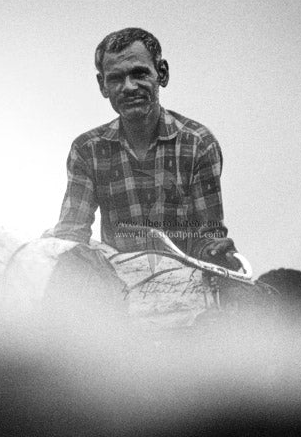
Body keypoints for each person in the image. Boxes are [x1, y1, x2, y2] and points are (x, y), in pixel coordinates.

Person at [48, 27, 239, 268]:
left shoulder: (198, 143)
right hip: (117, 283)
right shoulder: (87, 149)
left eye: (139, 74)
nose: (128, 87)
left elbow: (208, 235)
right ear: (102, 85)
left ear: (162, 73)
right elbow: (72, 234)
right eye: (116, 78)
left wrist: (217, 252)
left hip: (187, 281)